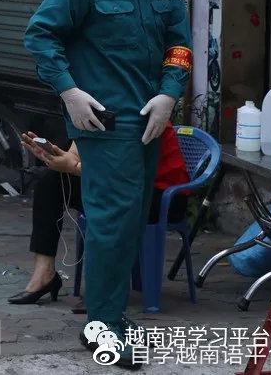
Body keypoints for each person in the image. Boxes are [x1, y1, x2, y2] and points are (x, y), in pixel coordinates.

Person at [23, 0, 190, 367]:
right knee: (114, 225)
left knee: (131, 223)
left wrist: (170, 92)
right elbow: (40, 35)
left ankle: (107, 316)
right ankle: (107, 327)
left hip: (150, 122)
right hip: (106, 122)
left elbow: (179, 42)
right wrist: (68, 90)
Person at [10, 123, 190, 311]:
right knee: (50, 181)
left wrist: (73, 167)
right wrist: (55, 158)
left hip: (160, 196)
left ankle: (103, 290)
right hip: (116, 186)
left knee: (109, 201)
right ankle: (44, 274)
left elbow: (124, 172)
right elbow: (75, 156)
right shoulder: (89, 109)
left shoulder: (138, 111)